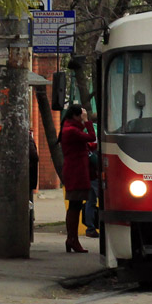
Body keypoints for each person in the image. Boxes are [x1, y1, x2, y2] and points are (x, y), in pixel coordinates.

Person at [60, 104, 97, 252]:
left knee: (75, 206)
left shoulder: (71, 129)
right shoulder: (71, 130)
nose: (83, 119)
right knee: (75, 207)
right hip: (76, 173)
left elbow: (86, 144)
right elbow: (91, 136)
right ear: (76, 116)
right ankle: (72, 239)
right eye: (81, 116)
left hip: (77, 172)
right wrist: (87, 121)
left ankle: (72, 239)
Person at [84, 120, 101, 238]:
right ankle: (96, 226)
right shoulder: (93, 144)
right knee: (102, 200)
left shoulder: (84, 142)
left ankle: (90, 228)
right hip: (94, 176)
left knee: (90, 202)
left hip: (87, 176)